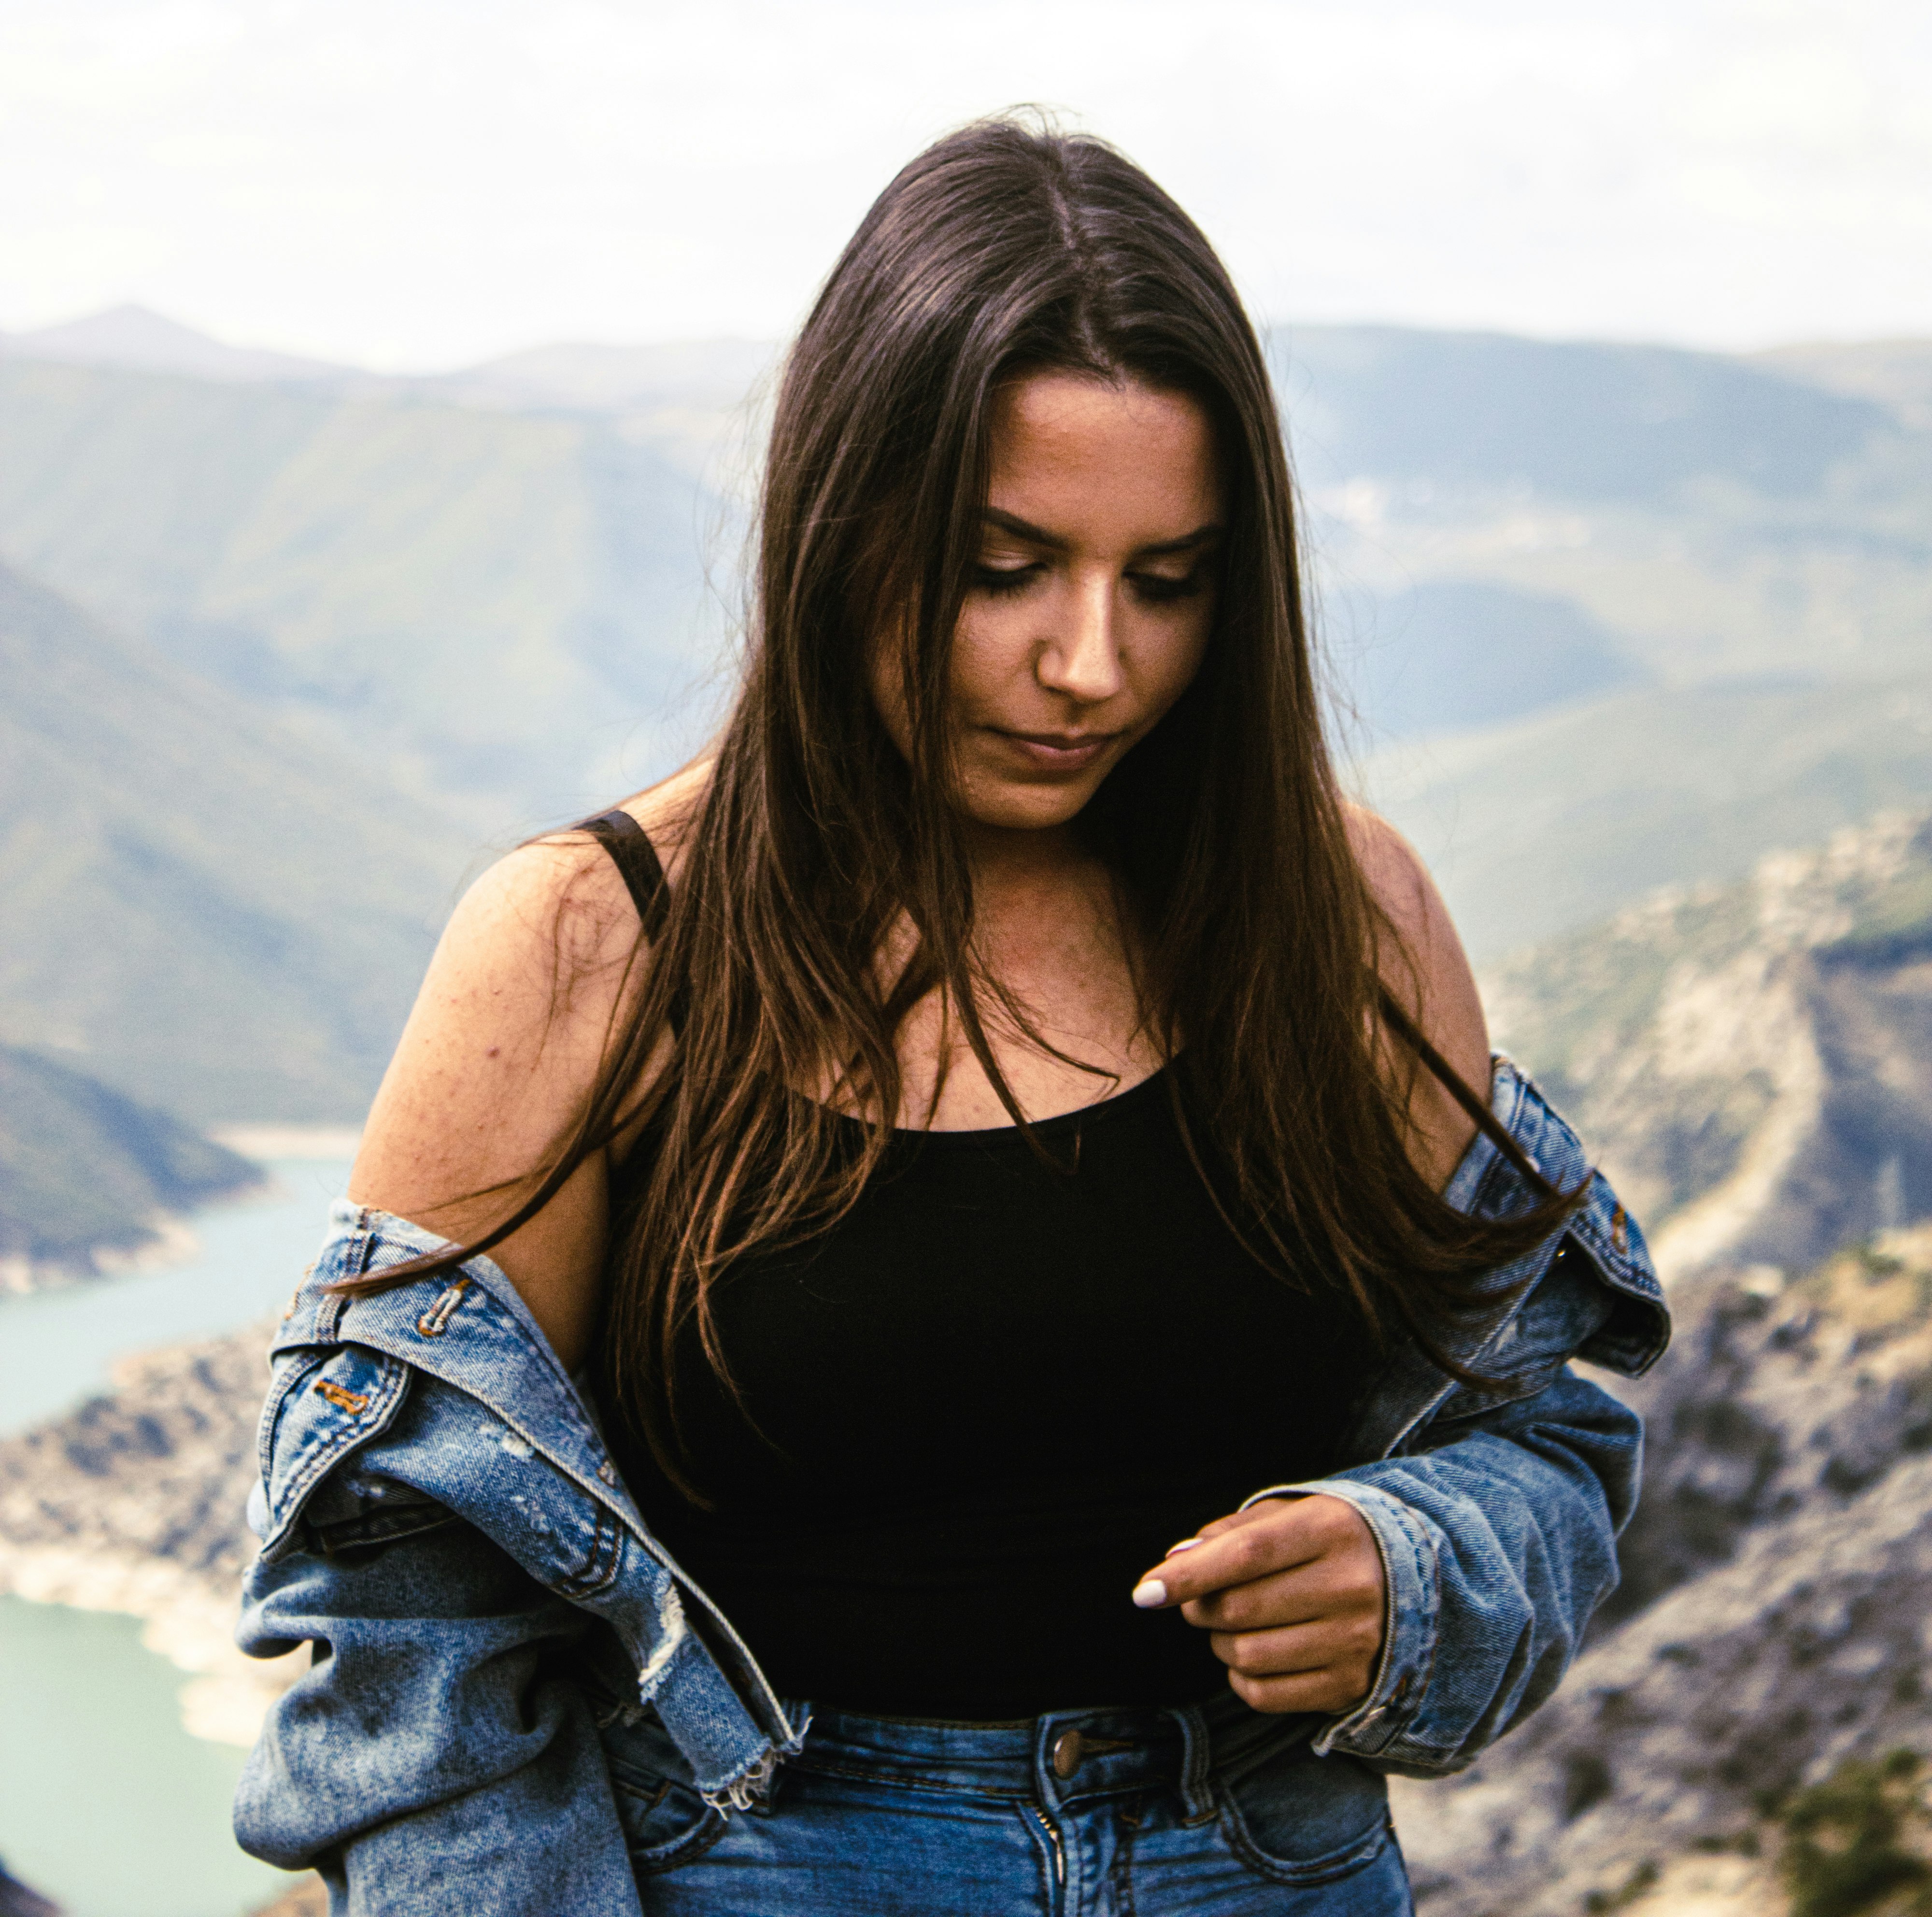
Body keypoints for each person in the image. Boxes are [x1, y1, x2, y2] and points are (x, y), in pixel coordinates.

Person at [234, 118, 1668, 1916]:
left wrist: (1418, 1565)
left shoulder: (1339, 917)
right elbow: (414, 1628)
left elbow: (1545, 1426)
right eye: (1006, 569)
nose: (1093, 663)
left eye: (1170, 578)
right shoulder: (586, 948)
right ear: (841, 527)